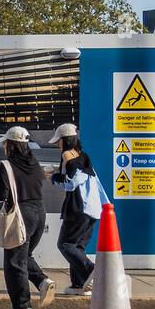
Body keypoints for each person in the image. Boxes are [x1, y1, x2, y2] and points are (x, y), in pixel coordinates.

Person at [0, 126, 54, 309]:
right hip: (39, 212)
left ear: (11, 145)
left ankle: (22, 308)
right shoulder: (34, 164)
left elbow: (0, 195)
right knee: (24, 255)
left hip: (21, 215)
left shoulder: (7, 165)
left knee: (14, 263)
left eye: (5, 142)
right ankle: (42, 281)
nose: (4, 145)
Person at [48, 124, 99, 296]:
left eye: (58, 141)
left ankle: (91, 270)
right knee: (77, 247)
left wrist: (54, 177)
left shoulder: (66, 155)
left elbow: (71, 183)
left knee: (65, 244)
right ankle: (79, 284)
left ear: (65, 140)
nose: (57, 145)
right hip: (92, 208)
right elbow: (81, 177)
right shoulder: (84, 156)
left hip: (78, 208)